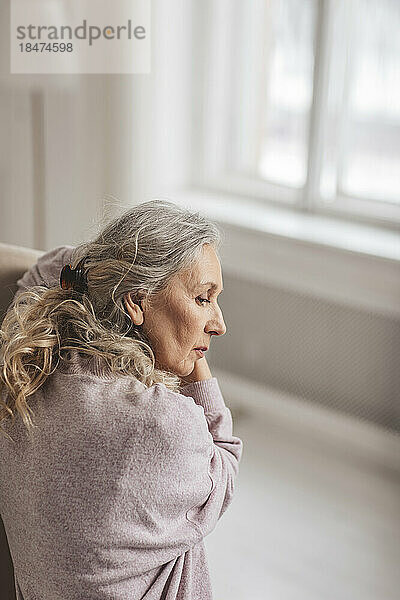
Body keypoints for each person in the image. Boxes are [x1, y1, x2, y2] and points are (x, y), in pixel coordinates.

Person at [0, 200, 243, 600]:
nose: (219, 324)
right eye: (203, 298)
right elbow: (225, 464)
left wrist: (110, 268)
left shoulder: (27, 362)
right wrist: (197, 364)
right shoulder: (164, 424)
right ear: (135, 300)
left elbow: (47, 269)